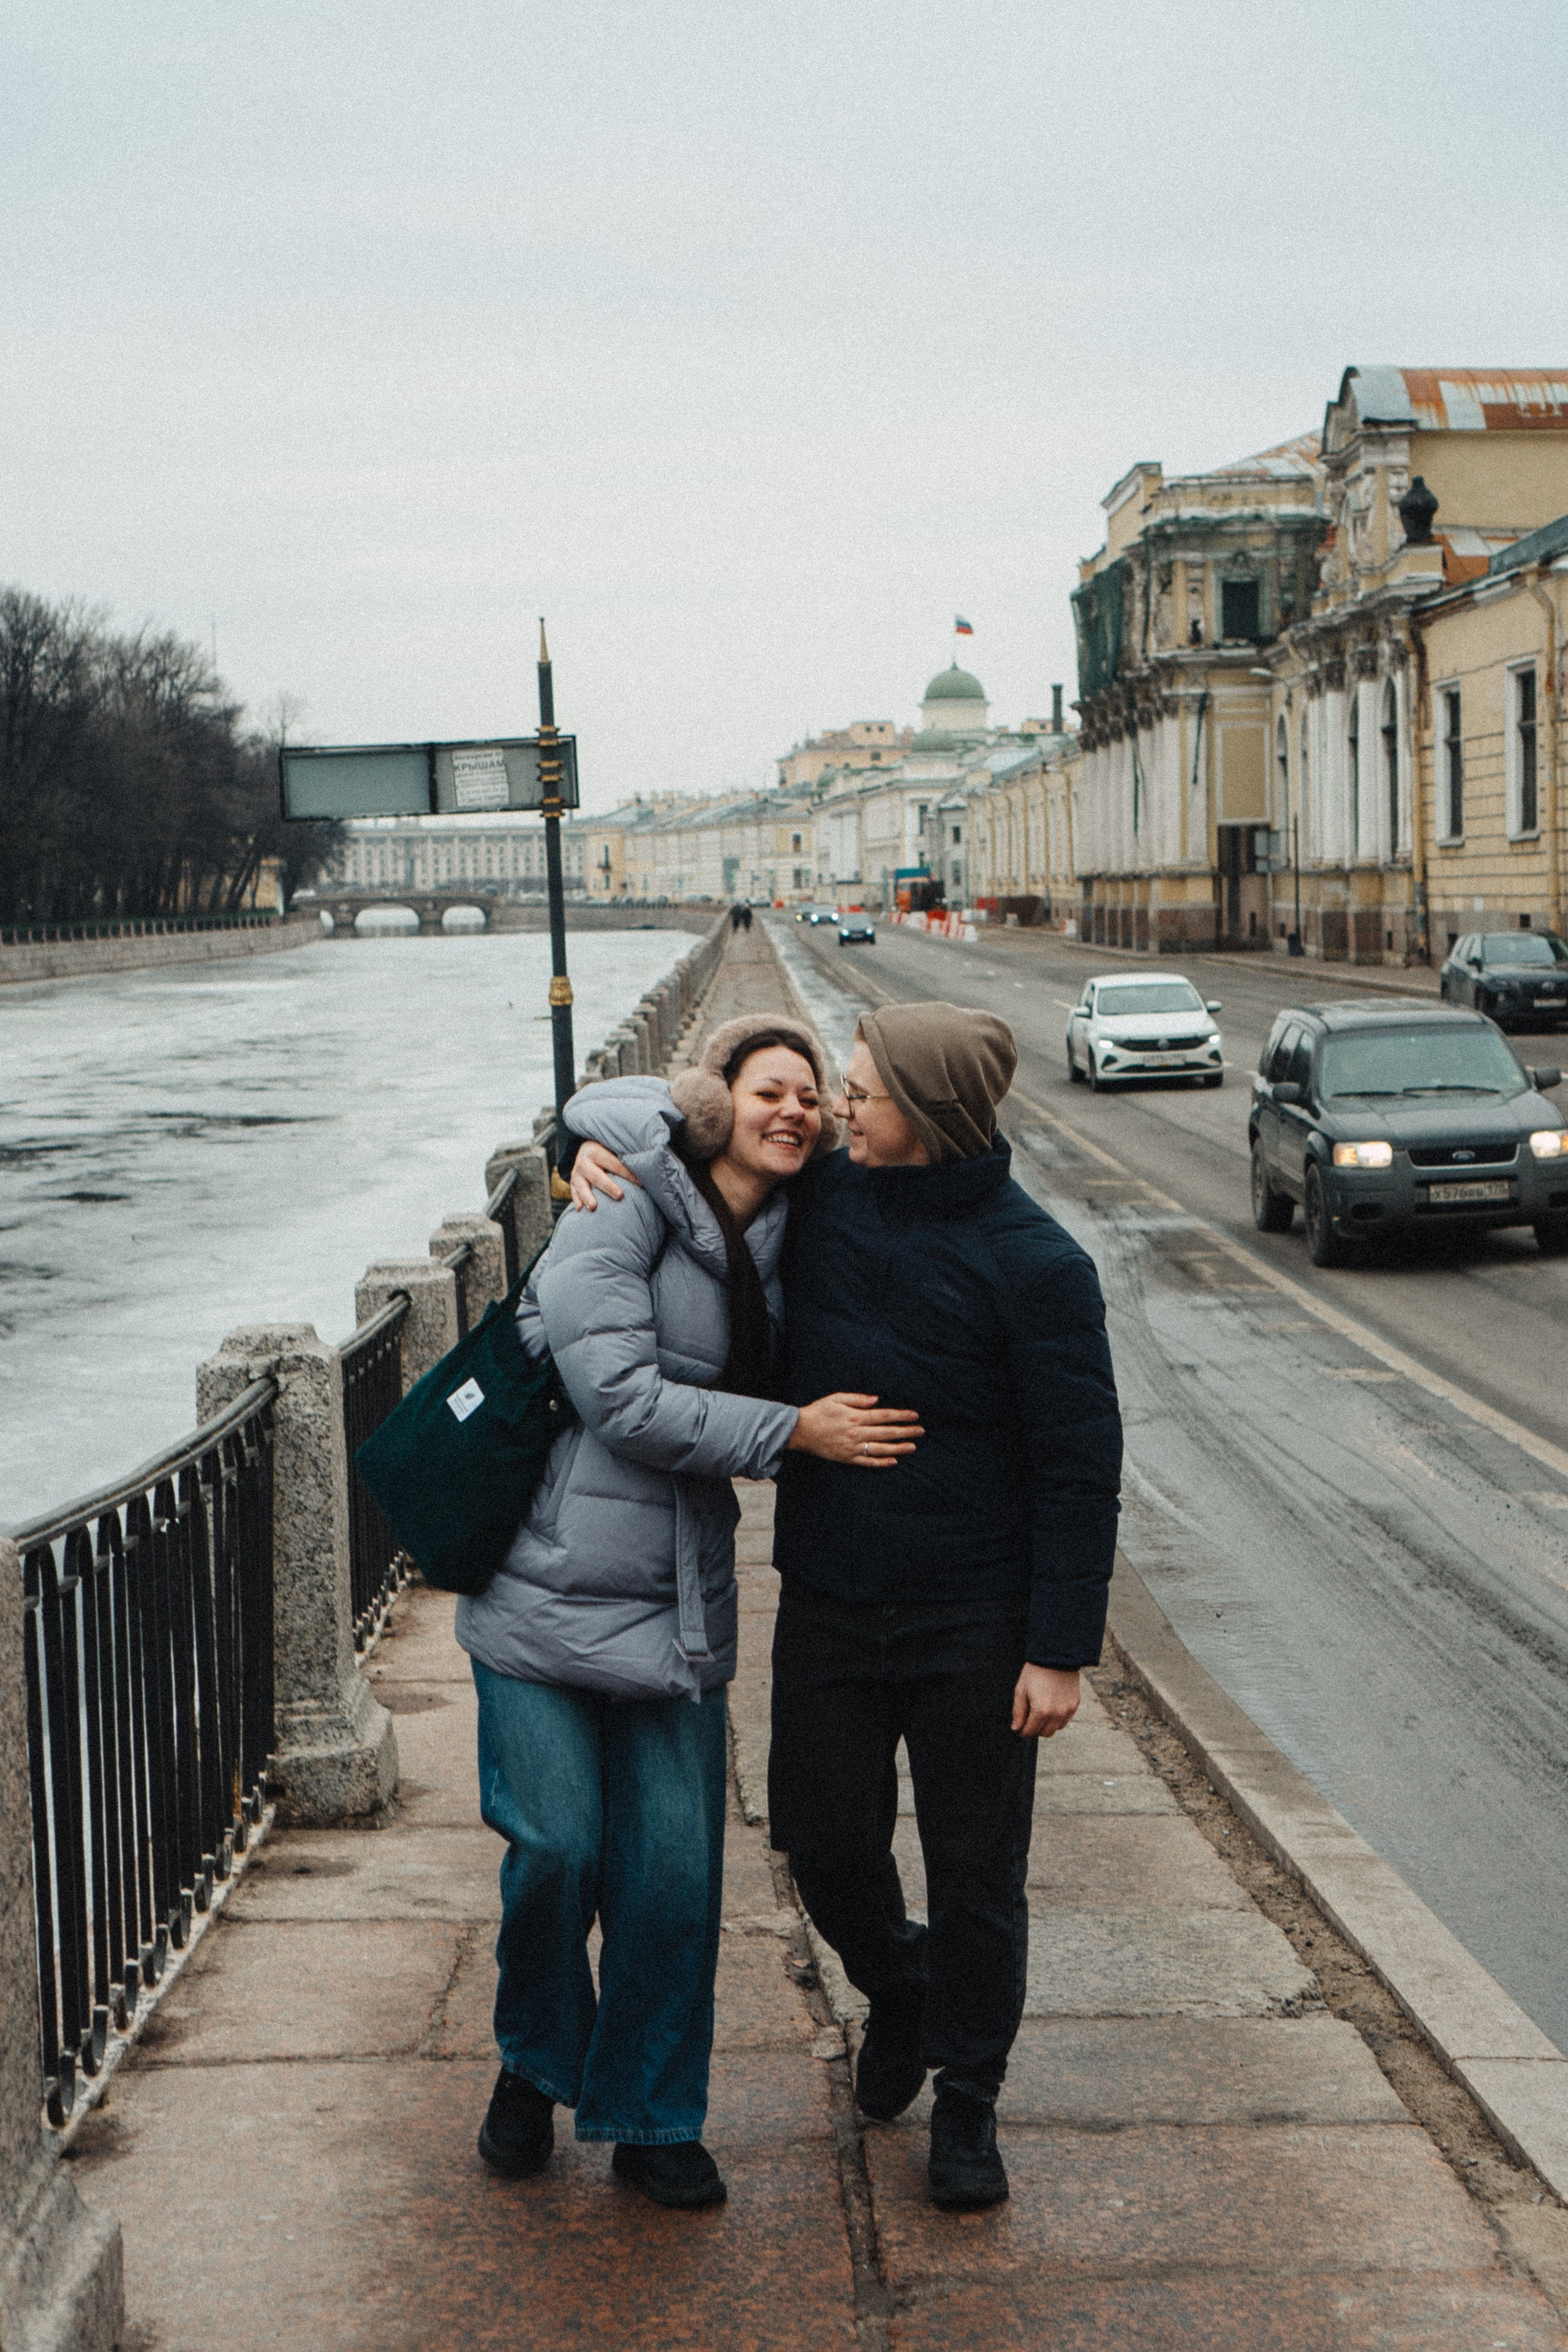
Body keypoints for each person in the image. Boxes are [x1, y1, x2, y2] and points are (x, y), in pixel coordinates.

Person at [569, 1000, 1122, 2211]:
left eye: (860, 1093)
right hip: (830, 1597)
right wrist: (588, 1148)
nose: (835, 1109)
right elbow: (673, 1122)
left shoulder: (1038, 1267)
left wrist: (1058, 1649)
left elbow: (1079, 1467)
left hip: (976, 1619)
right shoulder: (822, 1194)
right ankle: (900, 1985)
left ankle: (968, 2102)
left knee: (977, 1871)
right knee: (820, 1844)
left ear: (926, 1109)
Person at [456, 1015, 921, 2212]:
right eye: (770, 1090)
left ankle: (652, 2119)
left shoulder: (801, 1227)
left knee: (670, 1877)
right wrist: (792, 1432)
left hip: (676, 1600)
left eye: (811, 1097)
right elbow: (616, 1398)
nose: (794, 1111)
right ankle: (533, 2064)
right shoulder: (615, 1200)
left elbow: (920, 1188)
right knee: (556, 1851)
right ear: (715, 1101)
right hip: (544, 1586)